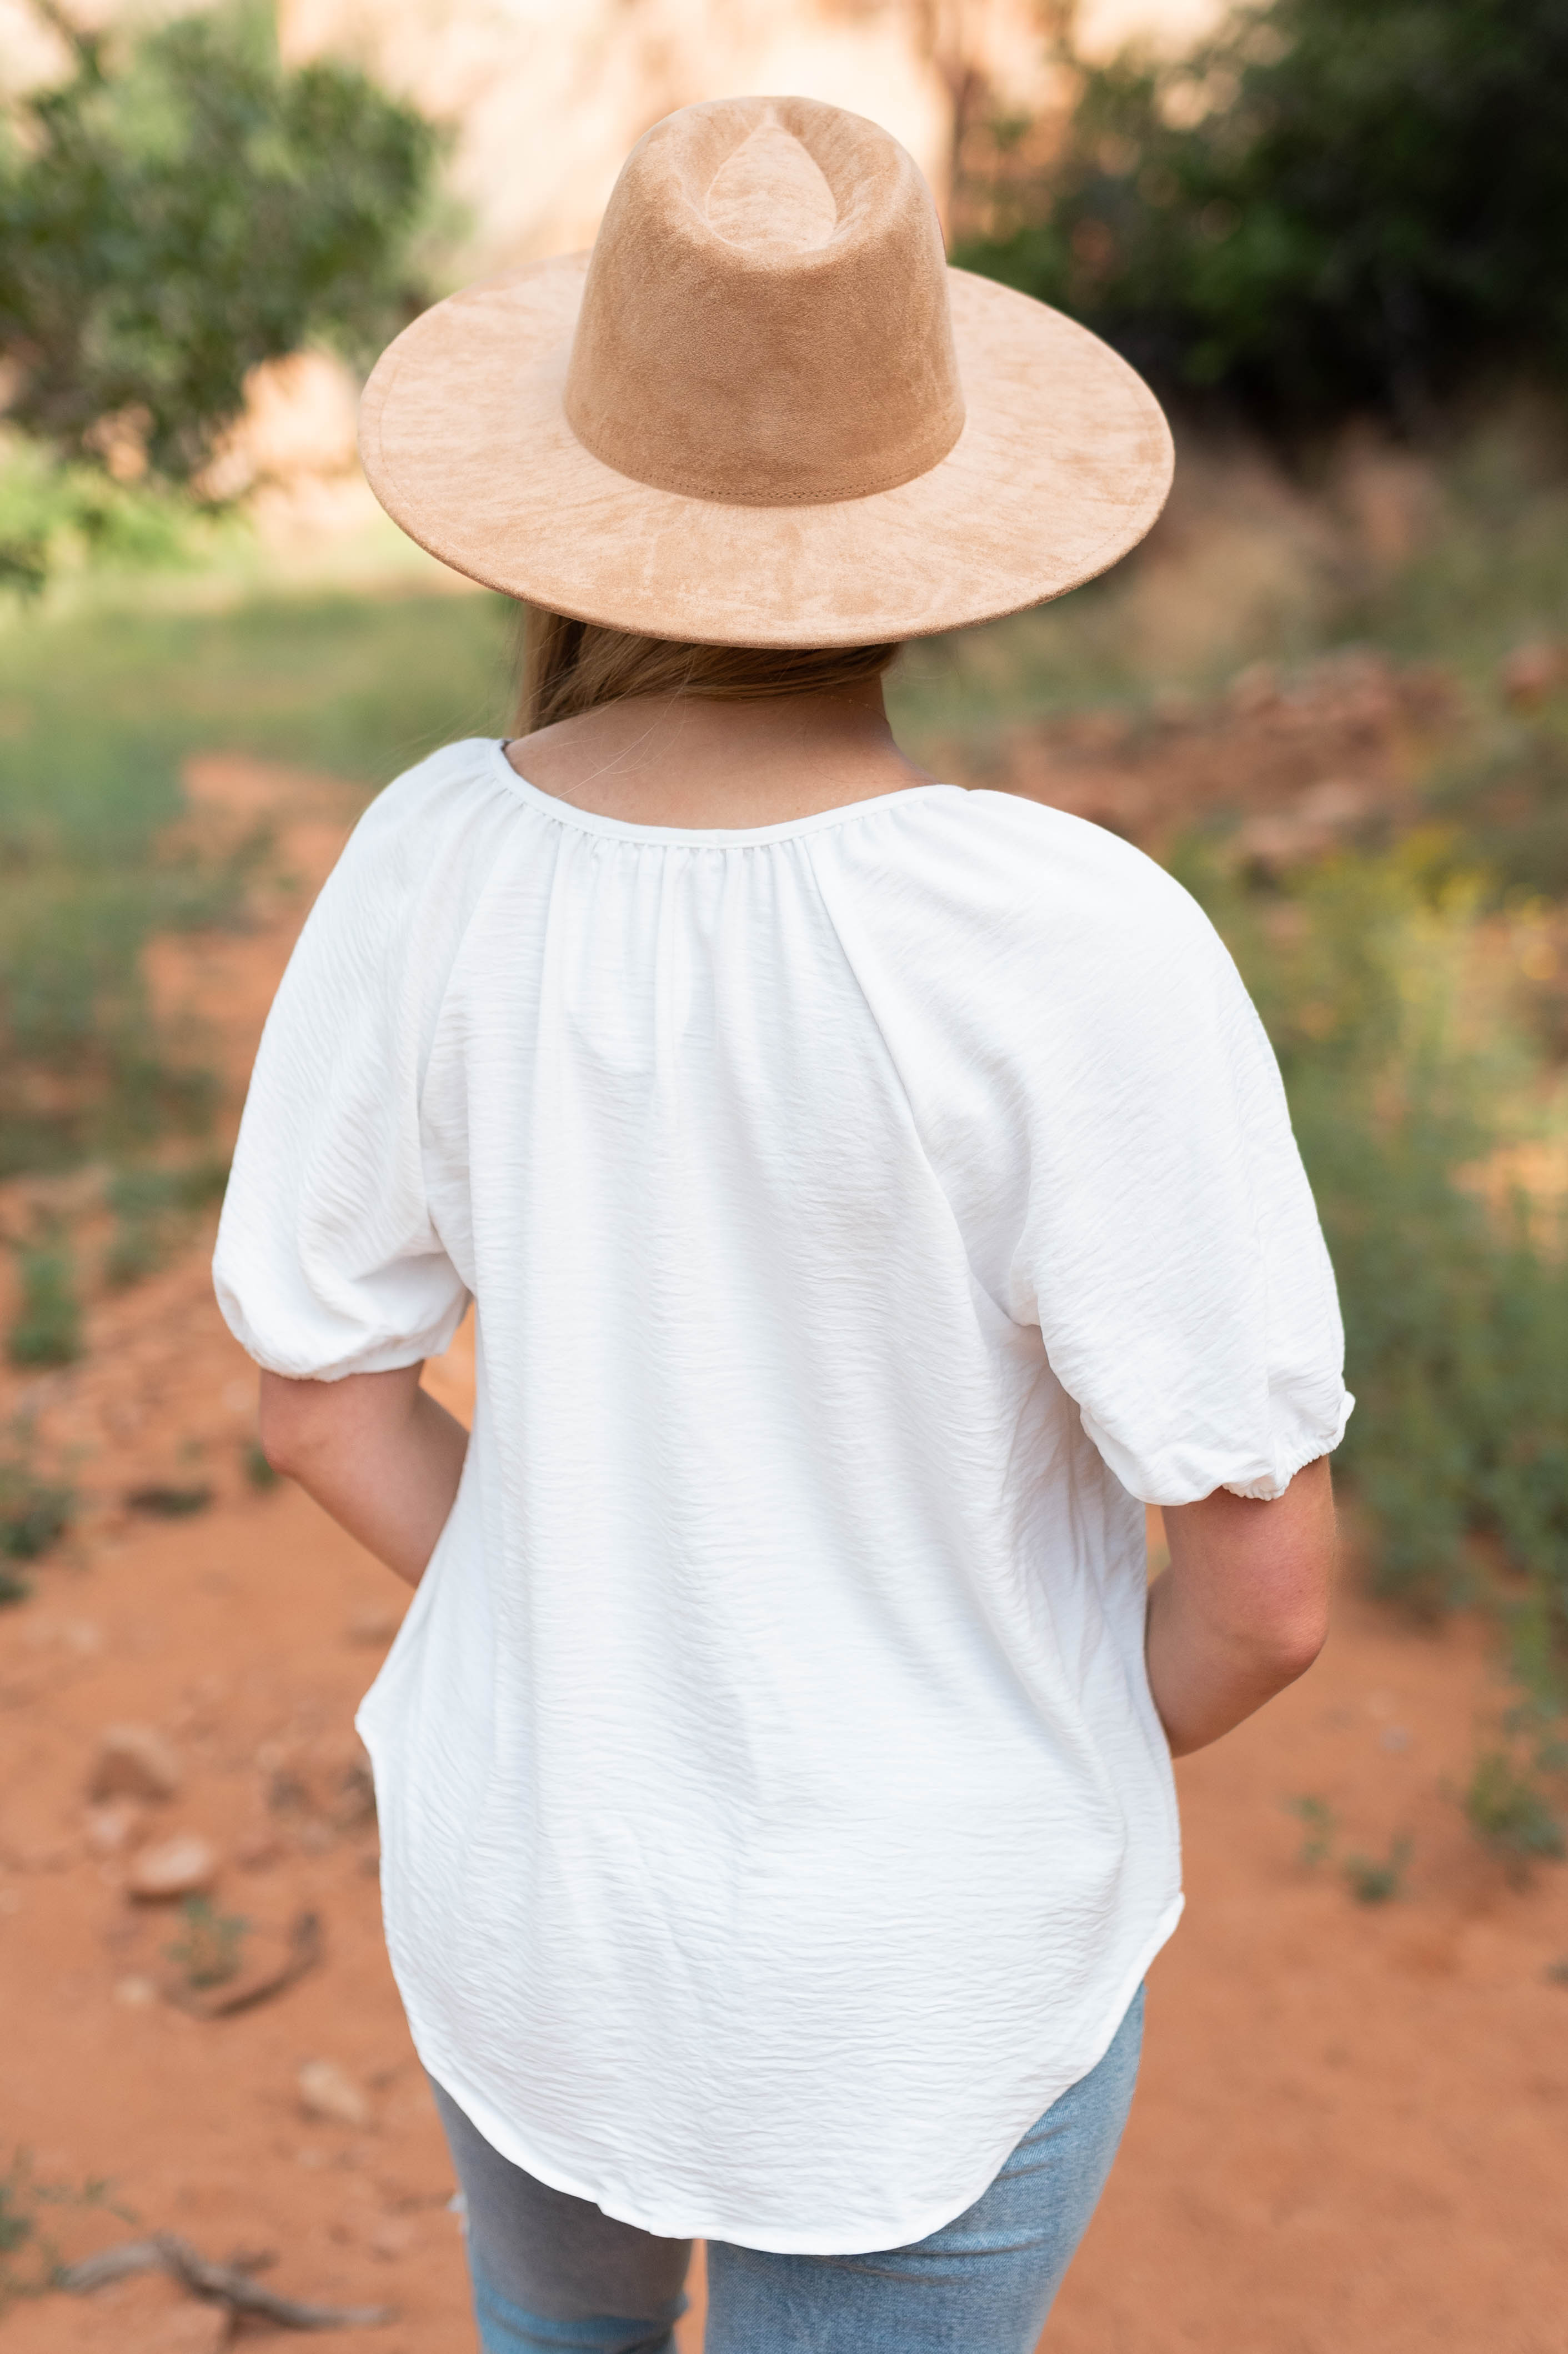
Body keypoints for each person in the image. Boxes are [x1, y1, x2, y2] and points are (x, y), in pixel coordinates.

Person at [214, 96, 1350, 2354]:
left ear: (562, 511)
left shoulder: (430, 860)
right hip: (922, 1979)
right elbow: (1270, 1592)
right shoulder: (1073, 941)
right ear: (925, 524)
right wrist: (1004, 1746)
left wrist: (598, 1646)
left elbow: (321, 1399)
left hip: (538, 1898)